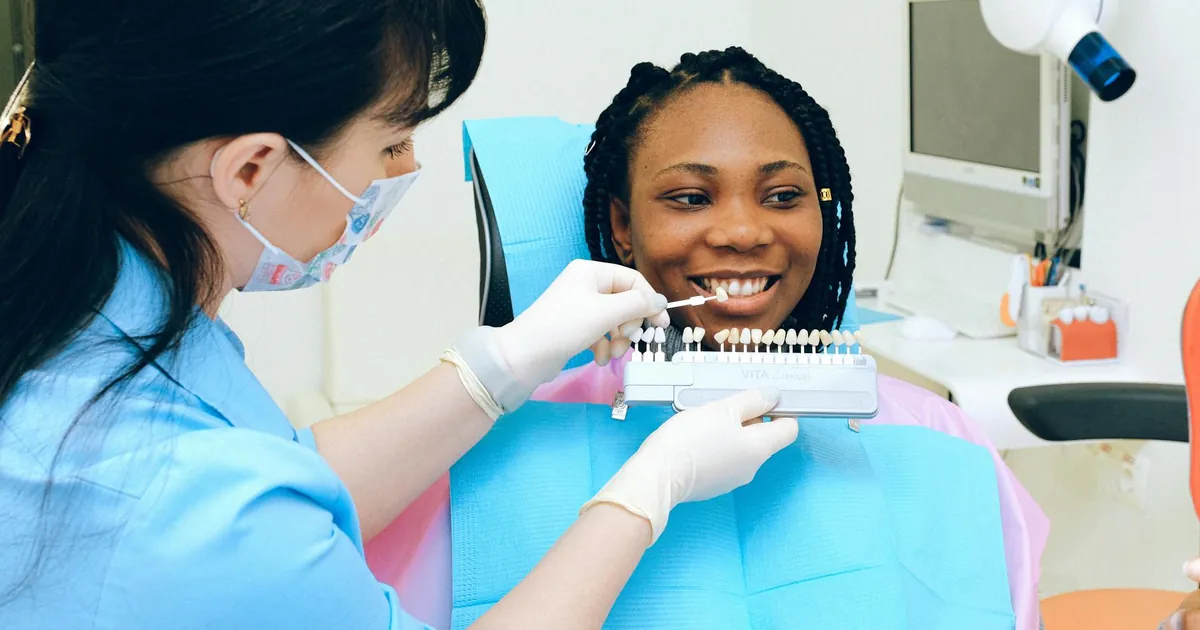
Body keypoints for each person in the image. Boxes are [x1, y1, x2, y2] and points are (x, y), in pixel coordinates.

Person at [0, 5, 803, 629]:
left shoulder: (93, 316)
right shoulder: (181, 500)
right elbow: (233, 522)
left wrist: (501, 367)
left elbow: (286, 475)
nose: (408, 168)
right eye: (390, 144)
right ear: (251, 167)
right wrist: (646, 493)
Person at [367, 48, 1050, 630]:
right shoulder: (500, 448)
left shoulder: (940, 440)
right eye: (691, 198)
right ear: (622, 224)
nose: (745, 232)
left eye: (783, 196)